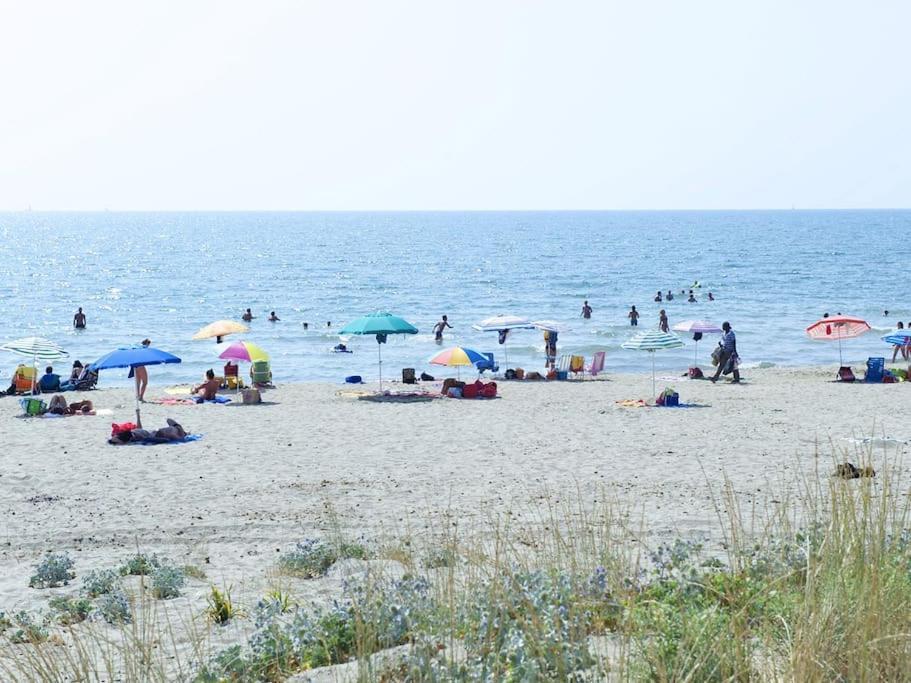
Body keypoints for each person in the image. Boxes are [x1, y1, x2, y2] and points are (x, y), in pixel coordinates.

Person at [109, 418, 187, 444]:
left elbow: (163, 440)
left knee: (172, 433)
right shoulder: (134, 435)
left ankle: (180, 430)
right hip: (157, 433)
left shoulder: (140, 438)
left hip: (160, 434)